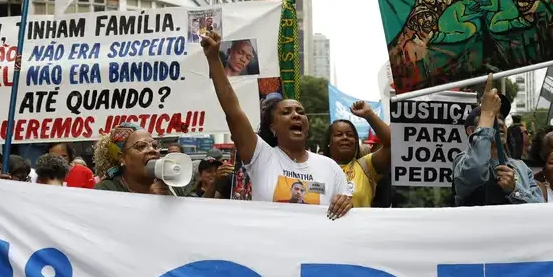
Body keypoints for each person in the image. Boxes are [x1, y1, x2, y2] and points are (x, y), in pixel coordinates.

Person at [202, 31, 352, 218]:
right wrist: (214, 59)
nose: (296, 115)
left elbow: (346, 213)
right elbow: (232, 110)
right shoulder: (261, 156)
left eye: (300, 112)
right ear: (273, 127)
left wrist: (346, 203)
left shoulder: (330, 168)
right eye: (286, 112)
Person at [452, 74, 543, 205]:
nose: (499, 123)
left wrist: (514, 189)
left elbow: (540, 208)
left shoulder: (521, 168)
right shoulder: (462, 162)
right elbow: (476, 169)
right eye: (492, 118)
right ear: (471, 131)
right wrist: (487, 114)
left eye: (501, 118)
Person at [324, 101, 391, 208]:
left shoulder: (367, 166)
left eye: (350, 135)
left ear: (356, 142)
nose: (345, 137)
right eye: (339, 134)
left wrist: (369, 114)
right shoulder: (318, 167)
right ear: (329, 142)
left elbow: (391, 143)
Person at [93, 122, 170, 195]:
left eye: (155, 145)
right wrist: (150, 199)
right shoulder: (104, 190)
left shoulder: (171, 184)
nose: (152, 150)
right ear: (122, 158)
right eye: (141, 146)